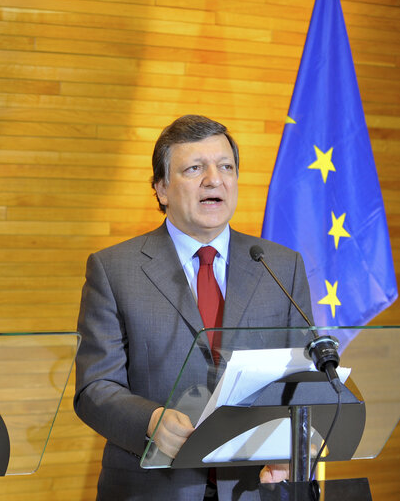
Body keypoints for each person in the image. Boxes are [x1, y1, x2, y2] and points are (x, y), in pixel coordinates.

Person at [73, 115, 313, 500]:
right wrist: (149, 422)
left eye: (225, 167)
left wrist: (293, 447)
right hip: (151, 486)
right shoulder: (114, 269)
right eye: (194, 168)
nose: (214, 179)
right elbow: (94, 388)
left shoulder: (280, 265)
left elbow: (303, 376)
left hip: (256, 486)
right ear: (162, 189)